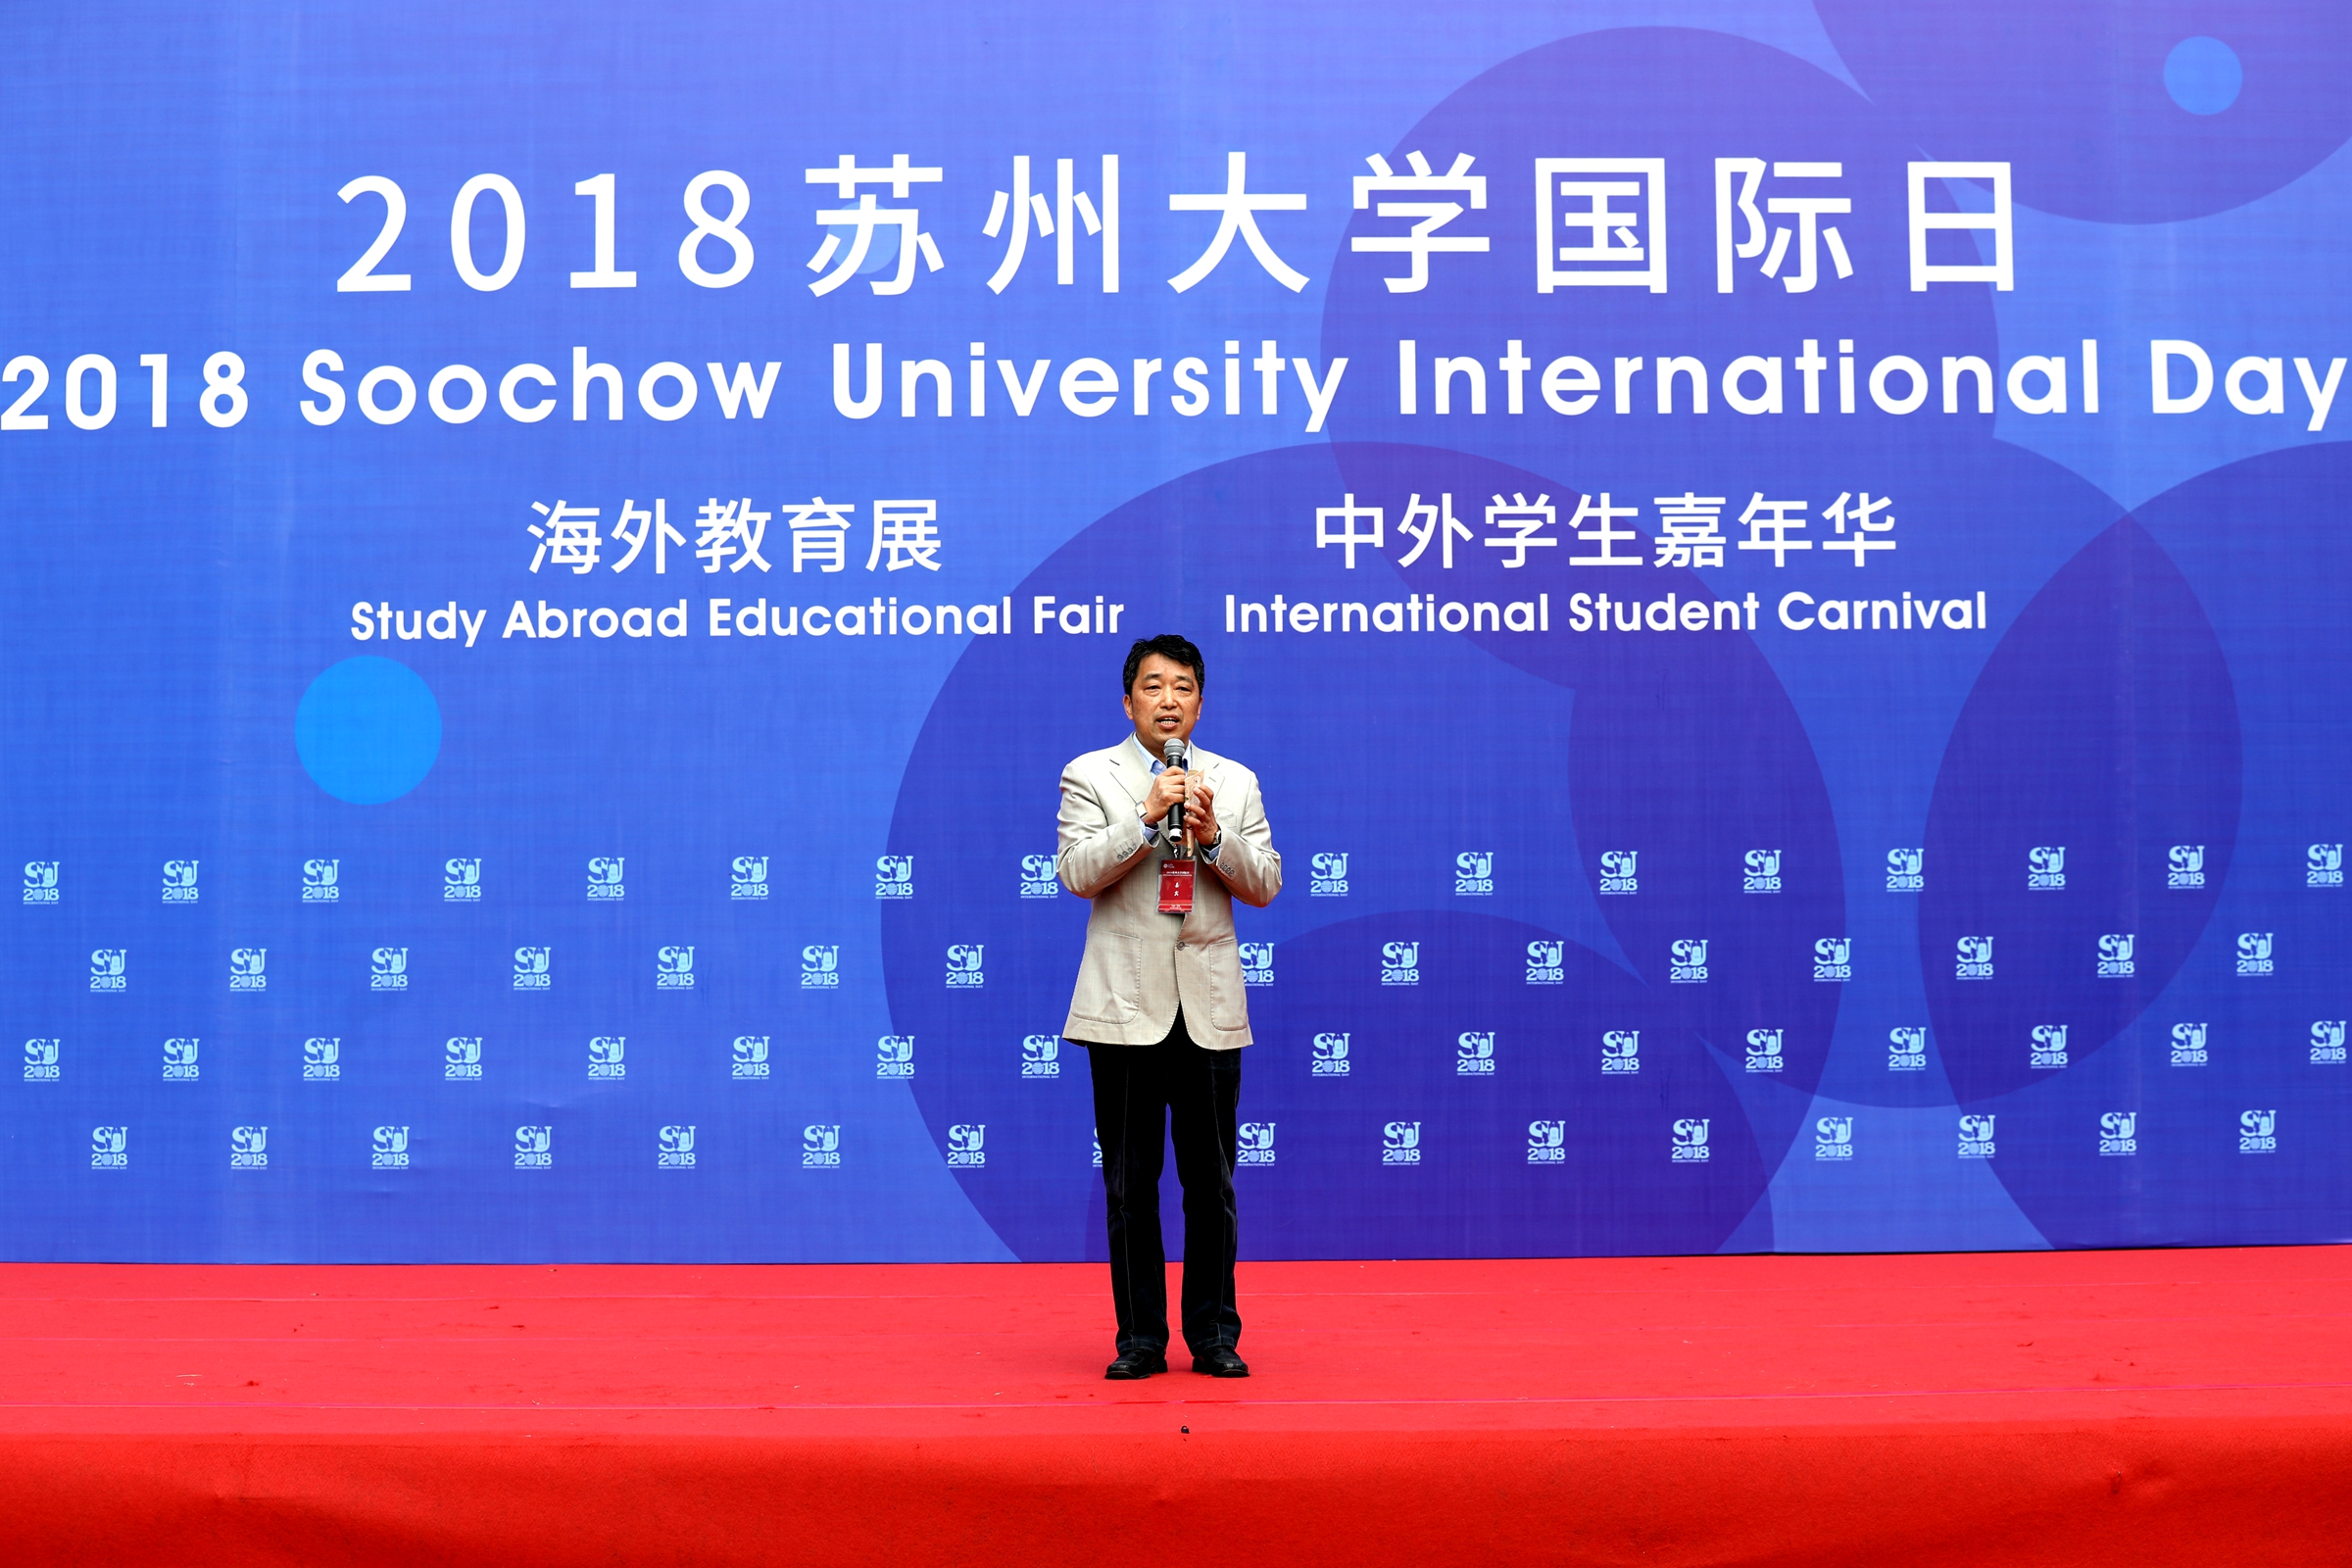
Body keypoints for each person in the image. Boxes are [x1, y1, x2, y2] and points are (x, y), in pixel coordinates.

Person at [1055, 634, 1282, 1380]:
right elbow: (1077, 872)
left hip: (1207, 1008)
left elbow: (1265, 882)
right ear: (1128, 702)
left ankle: (1215, 1334)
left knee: (1211, 1185)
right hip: (1125, 1008)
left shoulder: (1235, 781)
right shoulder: (1091, 774)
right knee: (1130, 1187)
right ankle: (1141, 1339)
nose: (1168, 700)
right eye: (1153, 687)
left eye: (1182, 687)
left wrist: (1213, 838)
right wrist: (1146, 817)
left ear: (1200, 703)